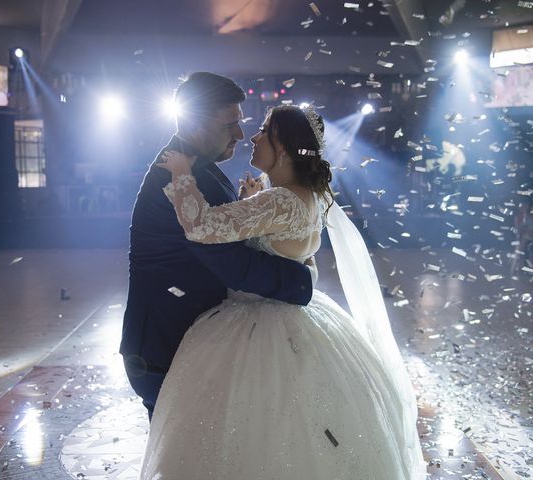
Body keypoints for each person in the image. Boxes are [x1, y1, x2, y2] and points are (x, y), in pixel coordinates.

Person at [140, 105, 426, 479]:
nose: (254, 138)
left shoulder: (279, 201)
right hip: (302, 319)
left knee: (251, 423)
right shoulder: (307, 195)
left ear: (286, 148)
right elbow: (289, 250)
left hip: (257, 325)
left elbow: (201, 226)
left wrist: (181, 172)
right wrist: (250, 201)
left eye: (264, 131)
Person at [120, 72, 315, 421]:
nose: (240, 134)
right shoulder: (180, 176)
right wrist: (301, 280)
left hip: (178, 338)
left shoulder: (197, 167)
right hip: (165, 343)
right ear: (195, 123)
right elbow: (229, 261)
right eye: (230, 125)